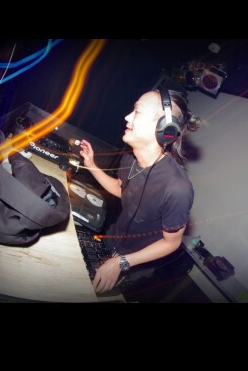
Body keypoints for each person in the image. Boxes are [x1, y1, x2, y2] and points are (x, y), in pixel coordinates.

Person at [79, 88, 201, 295]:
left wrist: (121, 262)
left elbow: (171, 243)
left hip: (133, 267)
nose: (127, 117)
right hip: (109, 242)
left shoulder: (177, 188)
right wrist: (91, 165)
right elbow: (122, 190)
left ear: (164, 127)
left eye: (137, 112)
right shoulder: (130, 158)